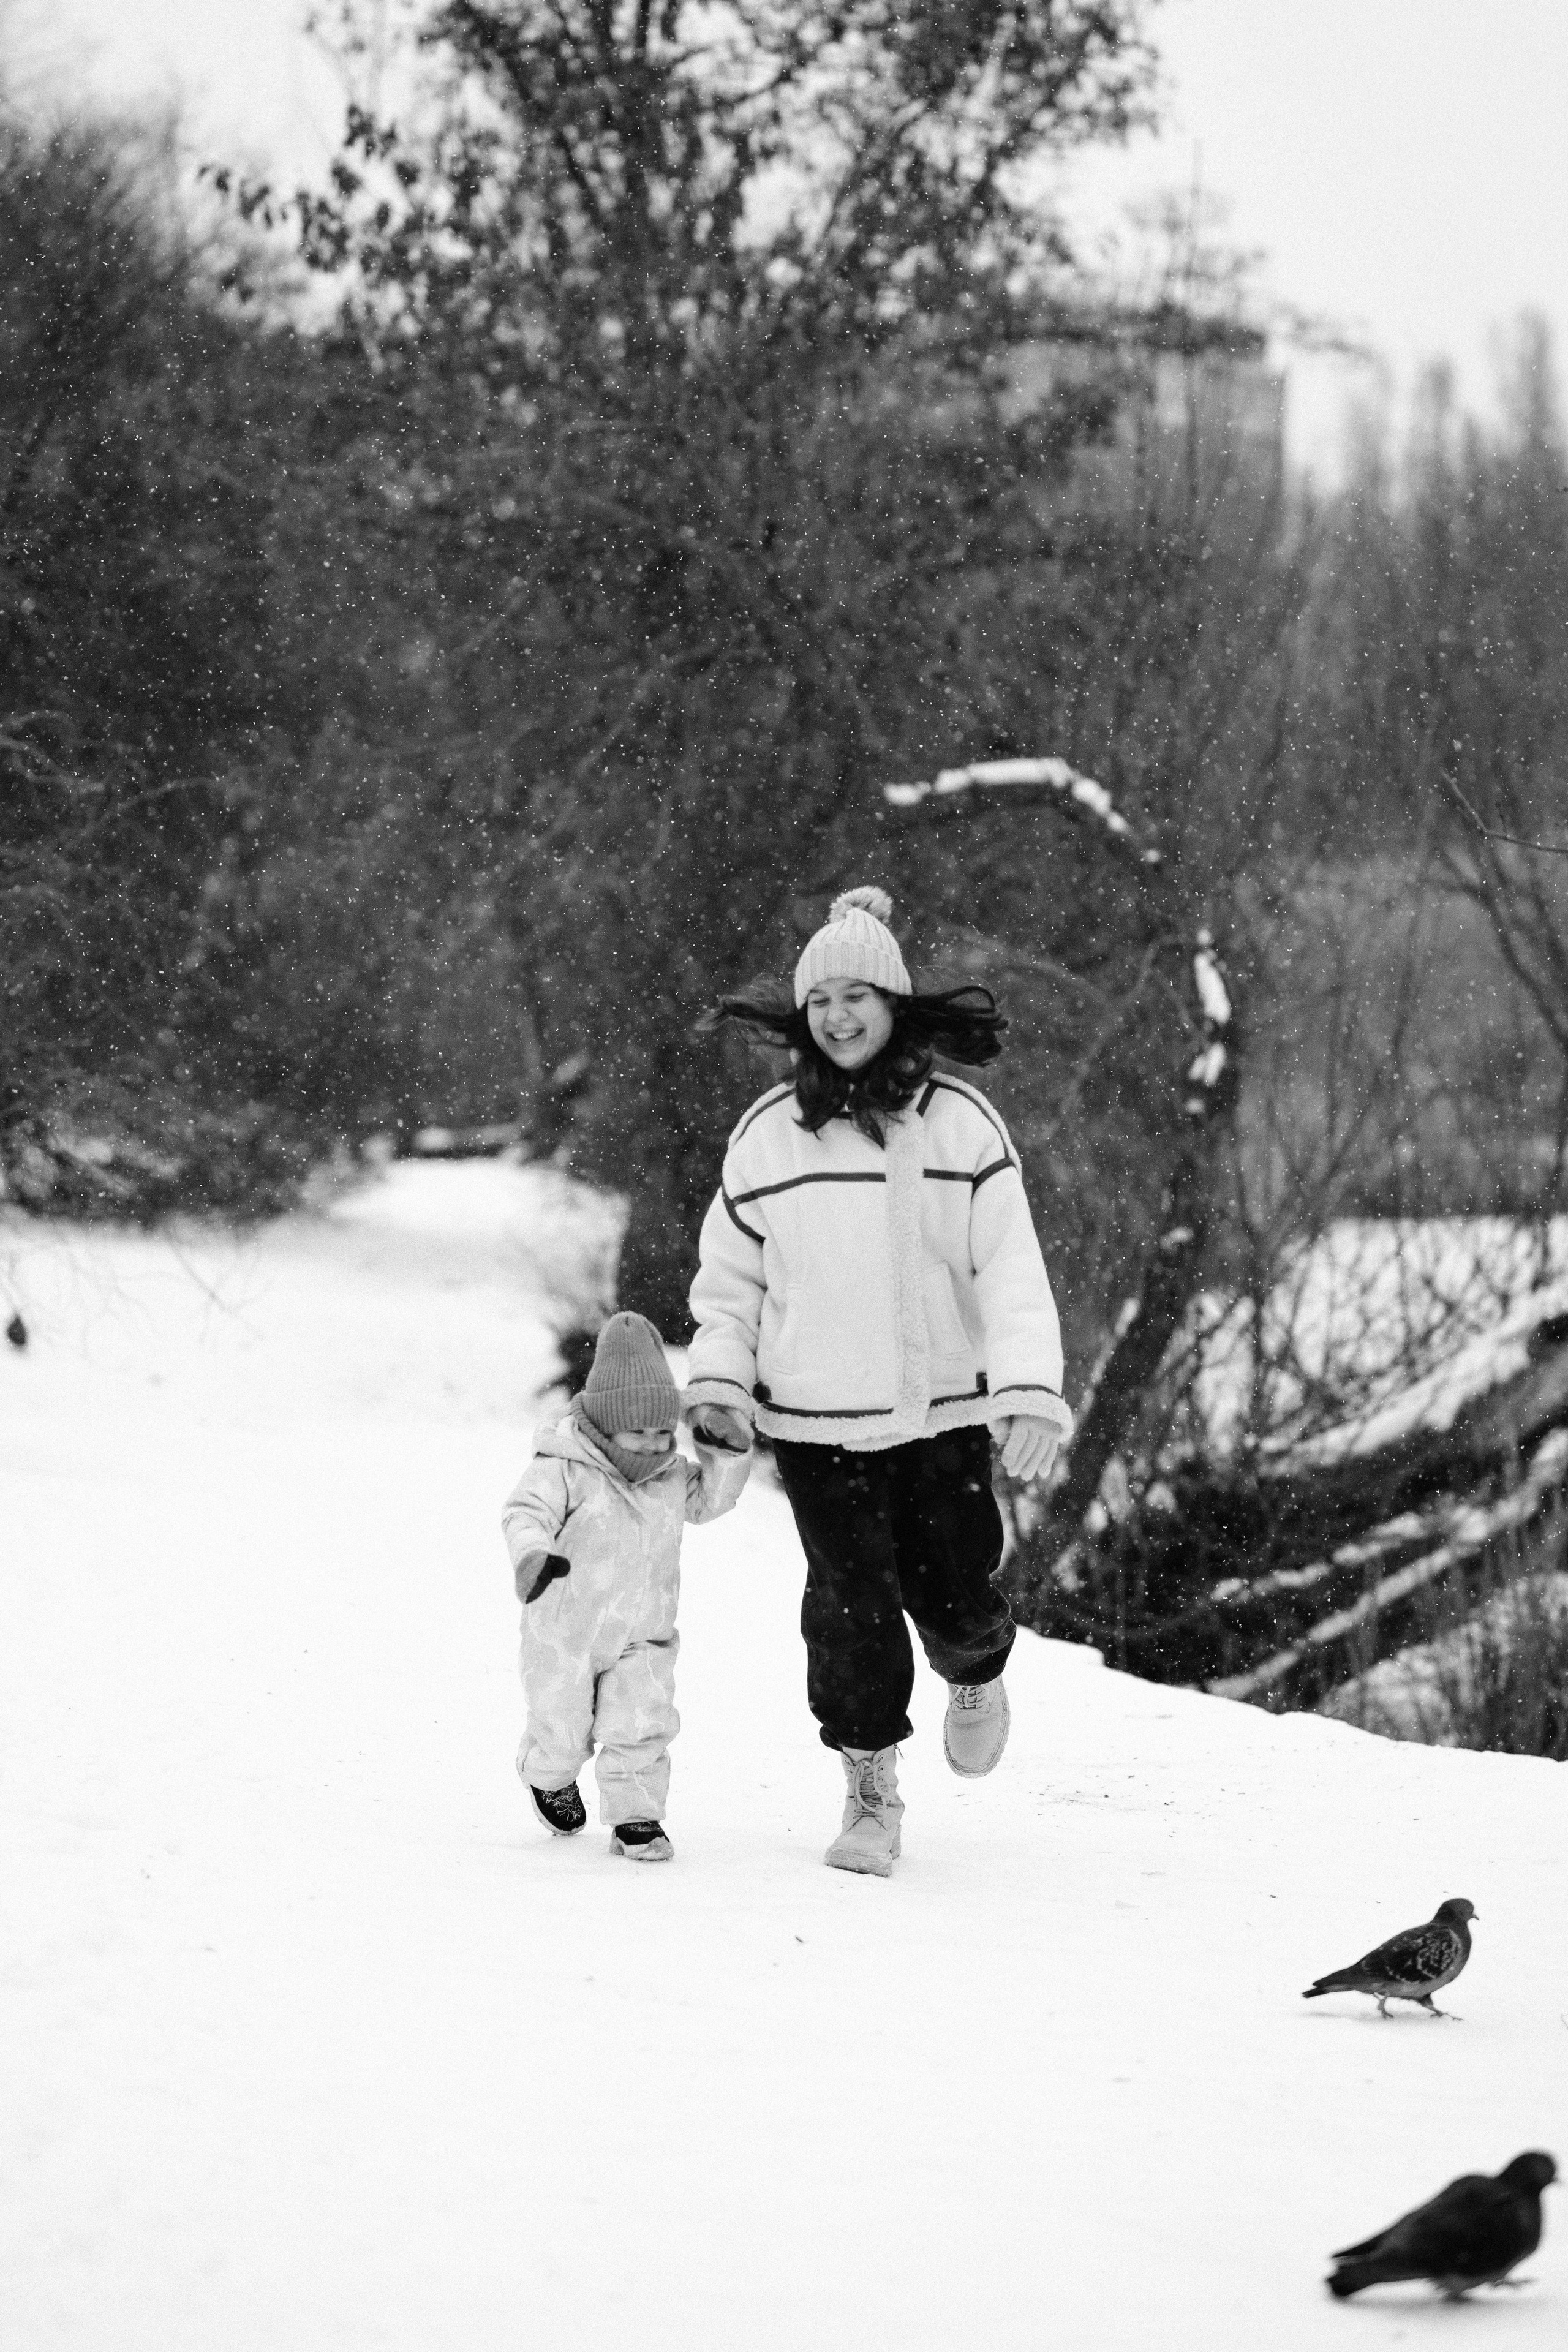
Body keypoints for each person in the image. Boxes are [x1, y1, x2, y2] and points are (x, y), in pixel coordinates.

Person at [685, 887, 1071, 1877]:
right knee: (848, 1605)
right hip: (814, 1422)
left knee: (952, 1587)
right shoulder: (768, 1135)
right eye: (822, 1000)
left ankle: (976, 1671)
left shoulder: (962, 1127)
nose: (839, 1016)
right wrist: (722, 1394)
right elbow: (727, 1290)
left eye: (859, 995)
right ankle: (869, 1785)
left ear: (896, 1004)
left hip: (941, 1410)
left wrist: (1028, 1389)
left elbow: (1010, 1267)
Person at [502, 1310, 750, 1863]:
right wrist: (532, 1557)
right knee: (561, 1723)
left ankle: (637, 1817)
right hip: (565, 1629)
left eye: (664, 1431)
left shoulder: (669, 1476)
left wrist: (727, 1453)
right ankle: (550, 1776)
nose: (653, 1443)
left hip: (645, 1631)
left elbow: (712, 1500)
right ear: (604, 1422)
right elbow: (525, 1513)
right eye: (638, 1431)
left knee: (643, 1721)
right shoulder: (564, 1467)